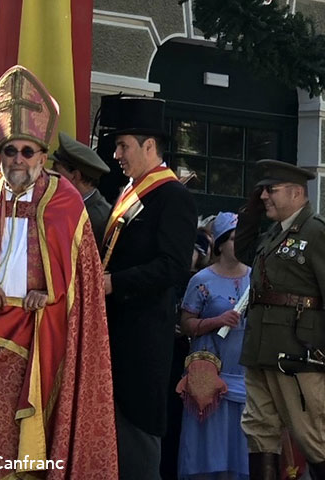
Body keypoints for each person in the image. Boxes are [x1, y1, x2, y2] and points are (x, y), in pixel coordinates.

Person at [0, 65, 116, 479]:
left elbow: (80, 275)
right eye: (9, 151)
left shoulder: (64, 198)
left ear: (42, 155)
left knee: (29, 437)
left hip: (40, 333)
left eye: (27, 151)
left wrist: (51, 293)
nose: (17, 159)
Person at [233, 159, 325, 479]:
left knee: (309, 435)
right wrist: (250, 215)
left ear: (297, 192)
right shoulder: (275, 234)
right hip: (262, 347)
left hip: (298, 351)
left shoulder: (319, 232)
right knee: (259, 431)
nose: (263, 197)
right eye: (262, 191)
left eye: (271, 190)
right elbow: (244, 254)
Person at [99, 94, 197, 479]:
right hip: (115, 331)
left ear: (149, 146)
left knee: (137, 438)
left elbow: (172, 267)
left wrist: (114, 282)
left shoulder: (172, 196)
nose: (117, 154)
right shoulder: (128, 192)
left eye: (123, 146)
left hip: (142, 336)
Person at [176, 212, 249, 479]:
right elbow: (186, 324)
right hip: (209, 377)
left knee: (239, 450)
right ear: (219, 243)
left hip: (245, 377)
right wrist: (216, 321)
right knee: (208, 450)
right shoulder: (202, 280)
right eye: (233, 238)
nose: (239, 243)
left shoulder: (257, 278)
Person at [51, 131, 112, 245]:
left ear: (75, 176)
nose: (51, 174)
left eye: (56, 170)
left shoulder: (98, 219)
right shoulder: (71, 205)